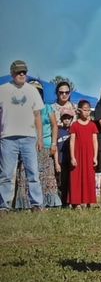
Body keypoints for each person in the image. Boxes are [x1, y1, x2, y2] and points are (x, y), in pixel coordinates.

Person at [0, 61, 44, 213]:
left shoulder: (32, 91)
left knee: (33, 173)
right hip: (8, 138)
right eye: (19, 72)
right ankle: (4, 206)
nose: (22, 74)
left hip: (29, 138)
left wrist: (40, 138)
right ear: (12, 73)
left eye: (24, 72)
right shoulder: (3, 90)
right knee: (6, 174)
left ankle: (36, 204)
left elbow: (37, 115)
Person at [16, 80, 62, 208]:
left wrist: (53, 144)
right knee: (27, 174)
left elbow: (54, 126)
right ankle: (26, 202)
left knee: (46, 175)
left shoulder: (47, 107)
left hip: (46, 145)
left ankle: (48, 201)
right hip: (27, 146)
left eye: (38, 91)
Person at [69, 100, 98, 209]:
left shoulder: (92, 125)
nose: (87, 113)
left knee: (89, 177)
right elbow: (72, 141)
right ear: (79, 111)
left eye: (88, 110)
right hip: (78, 155)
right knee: (76, 177)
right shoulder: (75, 125)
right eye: (85, 110)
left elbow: (95, 141)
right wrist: (72, 157)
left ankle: (88, 200)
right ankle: (76, 202)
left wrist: (95, 156)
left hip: (89, 155)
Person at [57, 106, 74, 206]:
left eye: (68, 118)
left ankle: (72, 201)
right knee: (63, 182)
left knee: (72, 182)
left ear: (72, 119)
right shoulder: (59, 131)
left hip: (71, 160)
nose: (66, 120)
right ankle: (63, 203)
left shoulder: (73, 129)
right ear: (61, 119)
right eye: (64, 118)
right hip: (62, 160)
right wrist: (56, 162)